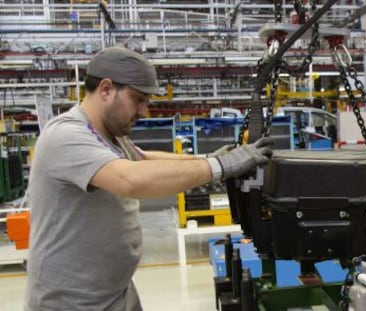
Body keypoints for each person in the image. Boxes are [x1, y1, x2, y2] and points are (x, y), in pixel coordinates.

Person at [24, 46, 275, 310]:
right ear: (107, 89)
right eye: (138, 99)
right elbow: (130, 179)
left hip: (114, 292)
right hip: (71, 302)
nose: (144, 111)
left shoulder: (111, 136)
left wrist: (208, 158)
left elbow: (144, 160)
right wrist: (221, 165)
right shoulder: (65, 135)